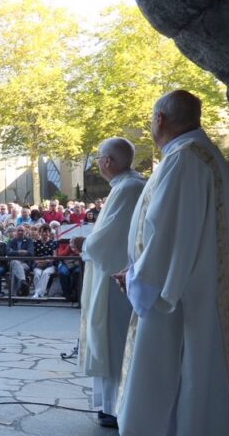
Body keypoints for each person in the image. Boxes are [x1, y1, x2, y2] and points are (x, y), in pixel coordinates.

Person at [114, 91, 229, 435]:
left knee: (172, 377)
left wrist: (138, 277)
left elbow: (167, 232)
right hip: (194, 283)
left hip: (175, 297)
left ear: (160, 119)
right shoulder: (201, 155)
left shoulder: (184, 160)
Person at [78, 137, 146, 428]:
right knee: (108, 339)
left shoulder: (129, 188)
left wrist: (85, 243)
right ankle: (110, 405)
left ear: (108, 161)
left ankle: (117, 407)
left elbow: (110, 238)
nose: (99, 163)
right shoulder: (127, 185)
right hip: (116, 274)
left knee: (113, 341)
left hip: (115, 277)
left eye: (99, 158)